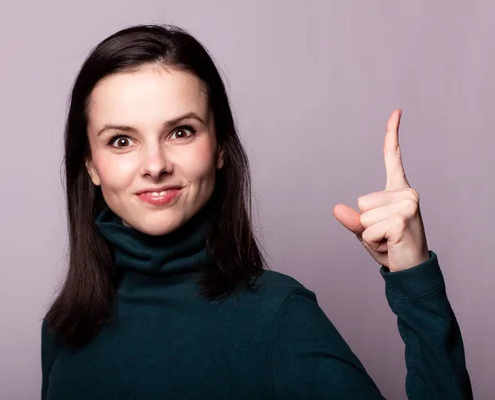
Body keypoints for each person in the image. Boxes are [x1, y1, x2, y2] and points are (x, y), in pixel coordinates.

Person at [40, 24, 472, 399]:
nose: (155, 165)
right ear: (91, 164)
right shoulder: (64, 329)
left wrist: (415, 282)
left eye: (181, 131)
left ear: (221, 149)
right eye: (121, 140)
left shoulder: (278, 316)